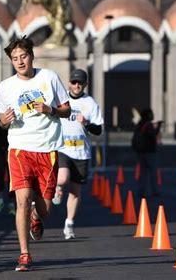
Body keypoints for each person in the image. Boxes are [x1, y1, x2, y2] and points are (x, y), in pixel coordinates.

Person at [0, 36, 71, 272]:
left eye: (23, 56)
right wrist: (3, 121)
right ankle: (24, 254)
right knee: (23, 199)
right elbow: (1, 122)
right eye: (15, 58)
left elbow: (66, 110)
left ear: (31, 56)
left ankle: (36, 218)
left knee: (45, 209)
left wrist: (50, 109)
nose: (20, 61)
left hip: (47, 149)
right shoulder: (6, 87)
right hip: (19, 149)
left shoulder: (49, 77)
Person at [52, 69, 103, 240]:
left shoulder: (90, 103)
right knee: (62, 178)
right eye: (73, 82)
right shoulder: (61, 99)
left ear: (85, 85)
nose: (76, 86)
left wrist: (87, 123)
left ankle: (69, 223)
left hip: (82, 152)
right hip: (63, 147)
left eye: (80, 83)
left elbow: (99, 129)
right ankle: (58, 188)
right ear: (69, 84)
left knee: (75, 191)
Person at [132, 108, 162, 198]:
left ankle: (141, 191)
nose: (153, 115)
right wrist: (159, 126)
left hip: (140, 151)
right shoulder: (148, 125)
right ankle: (154, 191)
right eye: (151, 114)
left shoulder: (140, 124)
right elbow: (153, 134)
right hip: (149, 151)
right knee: (152, 172)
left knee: (143, 172)